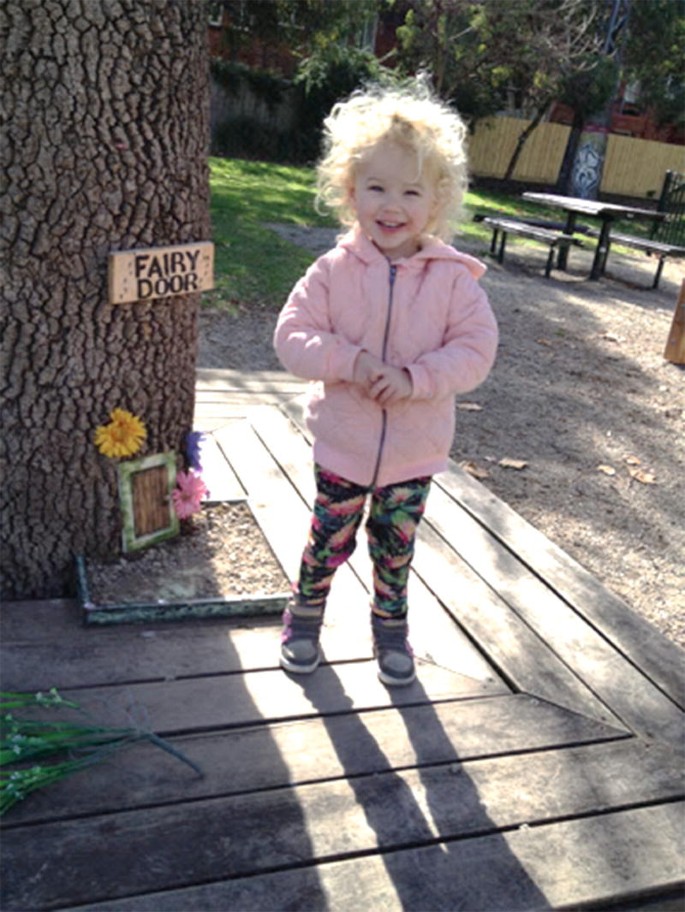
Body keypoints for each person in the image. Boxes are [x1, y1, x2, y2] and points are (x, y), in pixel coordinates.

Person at [273, 82, 498, 686]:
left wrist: (416, 378)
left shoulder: (455, 282)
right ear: (350, 192)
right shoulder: (333, 272)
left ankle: (390, 623)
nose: (391, 204)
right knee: (327, 538)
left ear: (437, 202)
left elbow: (476, 352)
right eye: (376, 187)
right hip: (343, 447)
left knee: (395, 550)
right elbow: (291, 337)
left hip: (413, 454)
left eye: (410, 191)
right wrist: (348, 361)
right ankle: (306, 613)